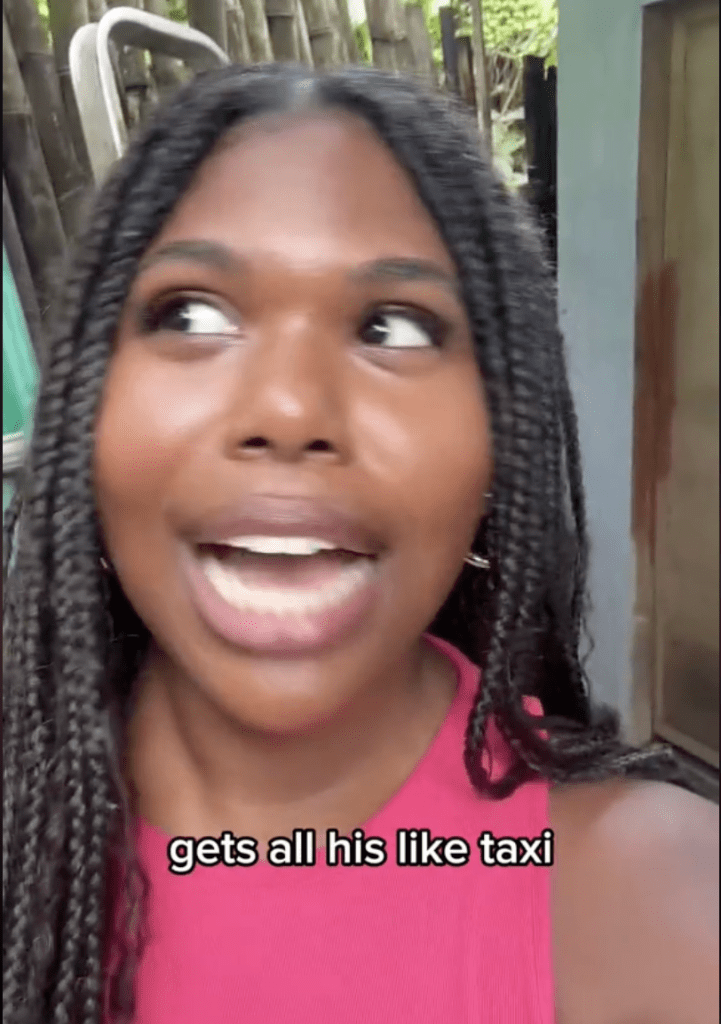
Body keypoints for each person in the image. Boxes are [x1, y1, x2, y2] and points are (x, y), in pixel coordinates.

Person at [3, 63, 717, 1024]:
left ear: (497, 440)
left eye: (393, 328)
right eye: (191, 315)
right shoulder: (25, 824)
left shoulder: (659, 909)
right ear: (84, 413)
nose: (289, 409)